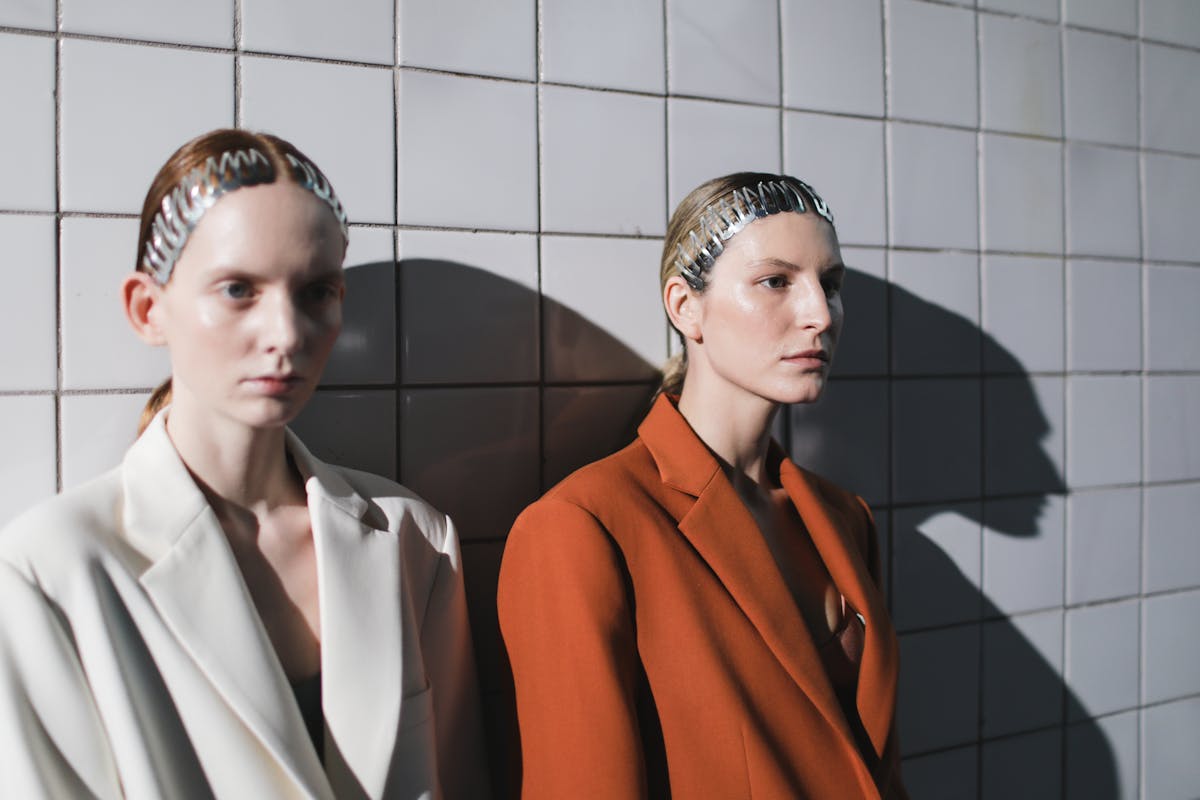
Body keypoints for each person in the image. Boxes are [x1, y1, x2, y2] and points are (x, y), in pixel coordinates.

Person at [0, 129, 488, 799]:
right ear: (148, 310)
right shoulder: (48, 569)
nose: (286, 333)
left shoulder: (414, 538)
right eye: (238, 289)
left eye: (317, 292)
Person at [498, 173, 908, 798]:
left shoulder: (845, 518)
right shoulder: (583, 527)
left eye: (830, 284)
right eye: (776, 281)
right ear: (685, 306)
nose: (820, 314)